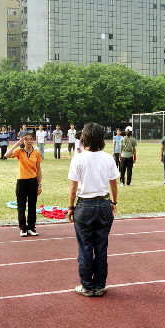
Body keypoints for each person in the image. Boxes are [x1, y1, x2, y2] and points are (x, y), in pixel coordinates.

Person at [68, 122, 119, 297]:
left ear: (84, 138)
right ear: (101, 138)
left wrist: (70, 207)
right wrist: (114, 202)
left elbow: (73, 188)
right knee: (101, 246)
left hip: (84, 205)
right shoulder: (108, 158)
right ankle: (99, 285)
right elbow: (114, 183)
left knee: (85, 247)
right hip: (104, 204)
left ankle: (87, 286)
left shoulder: (78, 158)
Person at [4, 132, 42, 237]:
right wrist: (17, 144)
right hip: (22, 181)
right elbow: (6, 155)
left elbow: (38, 169)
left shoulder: (36, 153)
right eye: (27, 139)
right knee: (21, 205)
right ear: (23, 140)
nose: (29, 141)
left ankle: (31, 227)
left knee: (32, 205)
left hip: (33, 181)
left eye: (31, 139)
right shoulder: (19, 152)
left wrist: (39, 184)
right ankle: (23, 228)